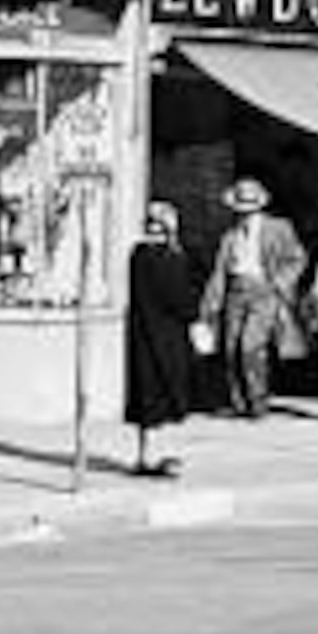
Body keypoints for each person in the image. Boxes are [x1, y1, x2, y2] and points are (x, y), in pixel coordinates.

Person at [203, 176, 308, 418]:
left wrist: (280, 282)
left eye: (249, 207)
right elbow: (220, 271)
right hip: (235, 291)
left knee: (250, 346)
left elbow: (297, 258)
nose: (244, 213)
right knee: (230, 348)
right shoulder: (229, 236)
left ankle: (257, 400)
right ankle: (238, 401)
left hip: (264, 291)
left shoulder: (279, 227)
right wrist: (211, 303)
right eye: (241, 208)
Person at [119, 201, 203, 475]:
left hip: (142, 335)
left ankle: (144, 454)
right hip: (167, 337)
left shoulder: (138, 254)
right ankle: (157, 455)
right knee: (165, 396)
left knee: (146, 398)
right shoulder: (168, 258)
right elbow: (180, 299)